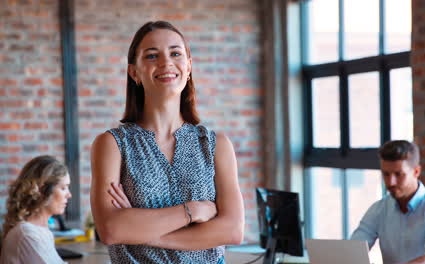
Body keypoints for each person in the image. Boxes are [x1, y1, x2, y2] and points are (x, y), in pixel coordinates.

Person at [90, 20, 244, 264]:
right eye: (152, 56)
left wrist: (142, 232)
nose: (166, 63)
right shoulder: (112, 145)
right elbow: (111, 230)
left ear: (189, 66)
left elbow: (232, 231)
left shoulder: (216, 145)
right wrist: (194, 211)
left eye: (175, 53)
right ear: (134, 72)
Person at [350, 140, 425, 264]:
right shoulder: (379, 209)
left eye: (398, 174)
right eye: (386, 174)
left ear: (416, 172)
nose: (391, 182)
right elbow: (354, 250)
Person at [0, 155, 71, 264]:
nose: (69, 195)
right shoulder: (28, 235)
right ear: (43, 190)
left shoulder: (41, 231)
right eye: (63, 188)